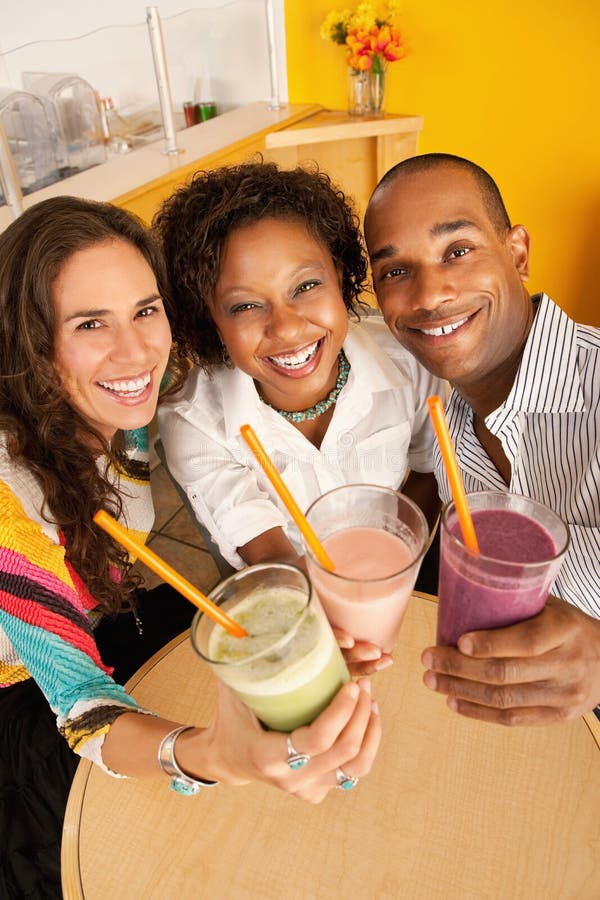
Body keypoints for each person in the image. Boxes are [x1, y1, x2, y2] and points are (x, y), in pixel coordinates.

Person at [0, 197, 380, 899]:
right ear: (28, 341)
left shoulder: (127, 405)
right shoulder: (9, 507)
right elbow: (80, 706)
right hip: (26, 697)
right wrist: (214, 757)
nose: (136, 352)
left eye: (145, 310)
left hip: (104, 619)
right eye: (90, 324)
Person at [153, 161, 446, 671]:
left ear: (341, 275)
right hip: (294, 597)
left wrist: (395, 568)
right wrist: (332, 620)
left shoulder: (410, 361)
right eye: (245, 306)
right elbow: (271, 554)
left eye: (306, 286)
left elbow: (428, 470)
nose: (287, 329)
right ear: (210, 319)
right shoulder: (195, 423)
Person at [364, 152, 600, 727]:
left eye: (458, 251)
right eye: (395, 271)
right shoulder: (445, 422)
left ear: (517, 253)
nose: (429, 295)